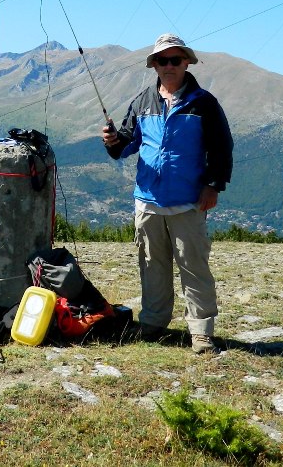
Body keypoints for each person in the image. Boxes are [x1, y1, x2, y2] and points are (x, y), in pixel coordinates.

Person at [101, 33, 233, 354]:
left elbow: (221, 148)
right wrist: (113, 140)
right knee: (151, 265)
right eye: (163, 60)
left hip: (188, 202)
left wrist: (213, 185)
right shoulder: (143, 101)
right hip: (147, 201)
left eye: (176, 59)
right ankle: (153, 324)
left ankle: (201, 332)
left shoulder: (204, 103)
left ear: (187, 62)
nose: (169, 66)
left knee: (193, 267)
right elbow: (127, 143)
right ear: (154, 65)